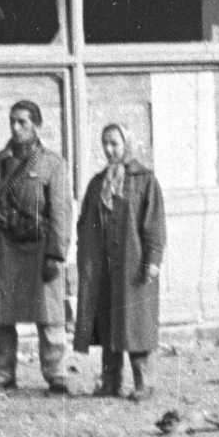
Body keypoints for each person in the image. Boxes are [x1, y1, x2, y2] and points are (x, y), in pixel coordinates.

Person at [0, 99, 71, 397]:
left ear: (37, 126)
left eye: (23, 122)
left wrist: (57, 252)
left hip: (39, 249)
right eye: (12, 121)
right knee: (1, 317)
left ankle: (56, 375)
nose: (15, 127)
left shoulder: (52, 164)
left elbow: (62, 212)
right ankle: (3, 374)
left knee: (49, 316)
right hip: (4, 248)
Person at [73, 123, 166, 401]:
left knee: (136, 323)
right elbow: (84, 223)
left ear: (127, 144)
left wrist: (152, 259)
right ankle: (110, 381)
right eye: (105, 143)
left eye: (114, 143)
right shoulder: (97, 183)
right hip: (104, 267)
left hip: (132, 264)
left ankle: (144, 383)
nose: (109, 149)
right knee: (107, 323)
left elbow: (155, 224)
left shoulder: (145, 180)